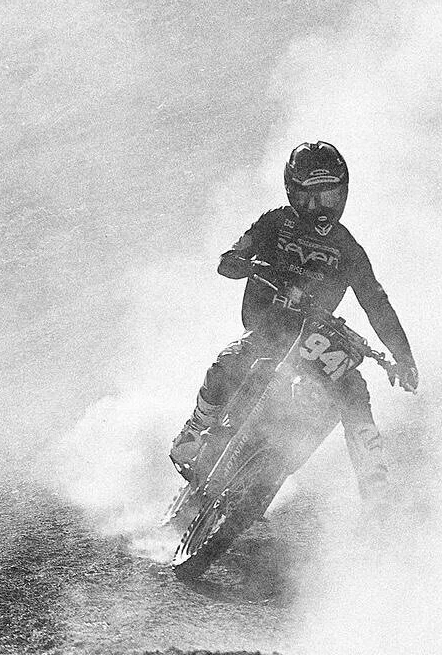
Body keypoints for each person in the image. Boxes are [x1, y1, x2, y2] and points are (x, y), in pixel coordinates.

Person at [169, 141, 418, 508]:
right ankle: (193, 430)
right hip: (267, 324)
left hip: (313, 335)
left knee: (354, 389)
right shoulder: (274, 223)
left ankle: (377, 487)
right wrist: (243, 262)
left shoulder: (349, 248)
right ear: (291, 193)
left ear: (344, 193)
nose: (320, 209)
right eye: (309, 199)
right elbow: (231, 257)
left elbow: (376, 302)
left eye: (330, 197)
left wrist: (403, 356)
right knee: (231, 361)